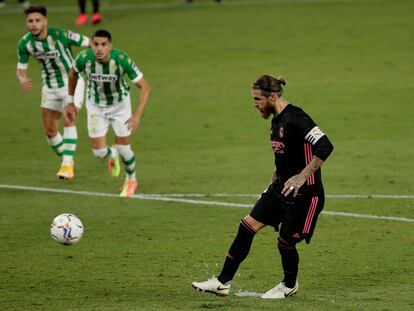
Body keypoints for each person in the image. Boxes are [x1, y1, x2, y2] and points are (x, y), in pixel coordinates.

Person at [192, 75, 334, 299]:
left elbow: (325, 145)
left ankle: (289, 285)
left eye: (258, 99)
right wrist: (275, 176)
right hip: (280, 189)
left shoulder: (297, 118)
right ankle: (222, 282)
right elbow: (287, 154)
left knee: (285, 242)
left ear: (273, 97)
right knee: (247, 226)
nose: (255, 104)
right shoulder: (276, 119)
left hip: (305, 194)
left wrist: (301, 177)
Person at [64, 29, 151, 197]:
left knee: (125, 149)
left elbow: (145, 87)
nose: (99, 48)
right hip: (95, 106)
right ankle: (112, 154)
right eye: (95, 44)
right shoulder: (84, 58)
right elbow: (73, 74)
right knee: (98, 153)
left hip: (120, 107)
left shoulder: (121, 60)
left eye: (103, 45)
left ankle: (131, 179)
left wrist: (137, 115)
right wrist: (70, 102)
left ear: (110, 46)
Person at [17, 5, 89, 180]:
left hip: (71, 82)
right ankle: (69, 159)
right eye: (30, 21)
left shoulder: (61, 35)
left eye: (37, 20)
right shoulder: (25, 43)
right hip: (49, 87)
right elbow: (21, 69)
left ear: (45, 22)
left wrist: (89, 63)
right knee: (50, 132)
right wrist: (23, 79)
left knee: (69, 116)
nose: (34, 24)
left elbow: (90, 43)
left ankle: (66, 165)